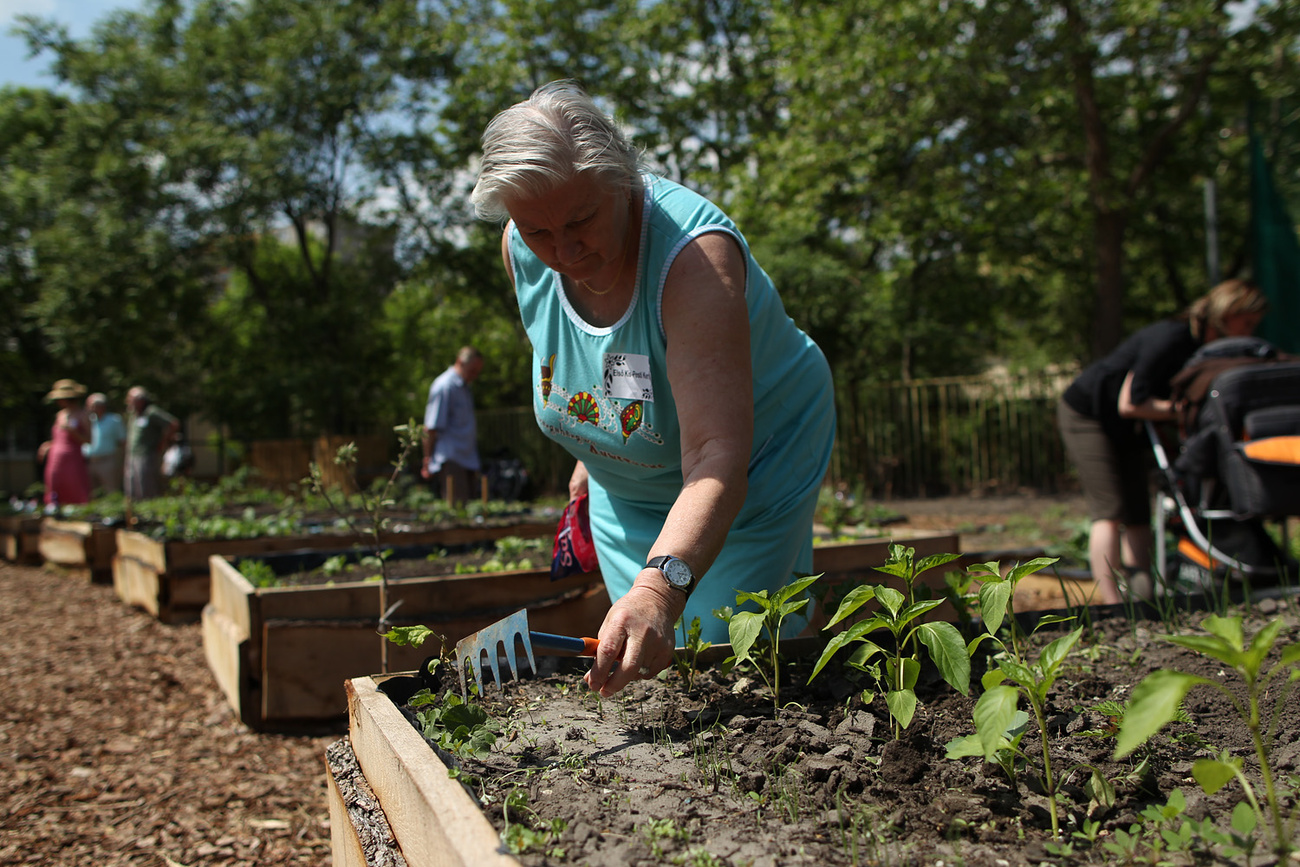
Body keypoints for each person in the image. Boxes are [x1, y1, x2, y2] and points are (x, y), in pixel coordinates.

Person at [470, 81, 836, 697]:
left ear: (621, 180)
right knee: (657, 659)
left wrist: (659, 586)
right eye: (537, 230)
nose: (562, 250)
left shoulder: (693, 260)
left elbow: (718, 453)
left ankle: (820, 660)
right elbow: (584, 364)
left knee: (732, 662)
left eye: (581, 219)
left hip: (747, 468)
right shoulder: (521, 250)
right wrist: (590, 460)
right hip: (629, 489)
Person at [1057, 278, 1268, 605]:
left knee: (1138, 513)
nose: (1252, 329)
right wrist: (1180, 410)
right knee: (1109, 511)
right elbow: (1130, 401)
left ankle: (1143, 601)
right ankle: (1113, 606)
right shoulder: (1171, 338)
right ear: (1228, 313)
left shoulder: (1202, 348)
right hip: (1089, 414)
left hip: (1129, 426)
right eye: (1248, 321)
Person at [421, 346, 485, 504]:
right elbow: (431, 427)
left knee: (470, 510)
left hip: (468, 457)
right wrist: (427, 459)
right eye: (472, 371)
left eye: (477, 372)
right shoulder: (444, 386)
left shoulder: (464, 387)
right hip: (451, 458)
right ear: (460, 362)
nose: (474, 376)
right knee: (457, 512)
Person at [39, 379, 92, 509]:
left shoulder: (83, 415)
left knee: (73, 484)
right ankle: (55, 510)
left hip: (72, 458)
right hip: (55, 457)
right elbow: (57, 438)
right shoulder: (60, 415)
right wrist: (48, 445)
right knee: (54, 482)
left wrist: (73, 432)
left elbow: (89, 440)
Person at [124, 386, 180, 500]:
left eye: (131, 399)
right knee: (131, 487)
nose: (128, 402)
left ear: (141, 400)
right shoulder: (134, 414)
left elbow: (173, 423)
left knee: (146, 485)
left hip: (147, 454)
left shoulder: (151, 412)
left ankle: (148, 511)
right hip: (132, 454)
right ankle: (134, 513)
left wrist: (163, 442)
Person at [82, 393, 127, 496]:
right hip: (89, 461)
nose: (89, 409)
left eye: (91, 406)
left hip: (108, 461)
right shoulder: (87, 420)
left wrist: (124, 461)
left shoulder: (114, 420)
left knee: (111, 491)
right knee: (91, 493)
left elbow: (123, 441)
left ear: (102, 406)